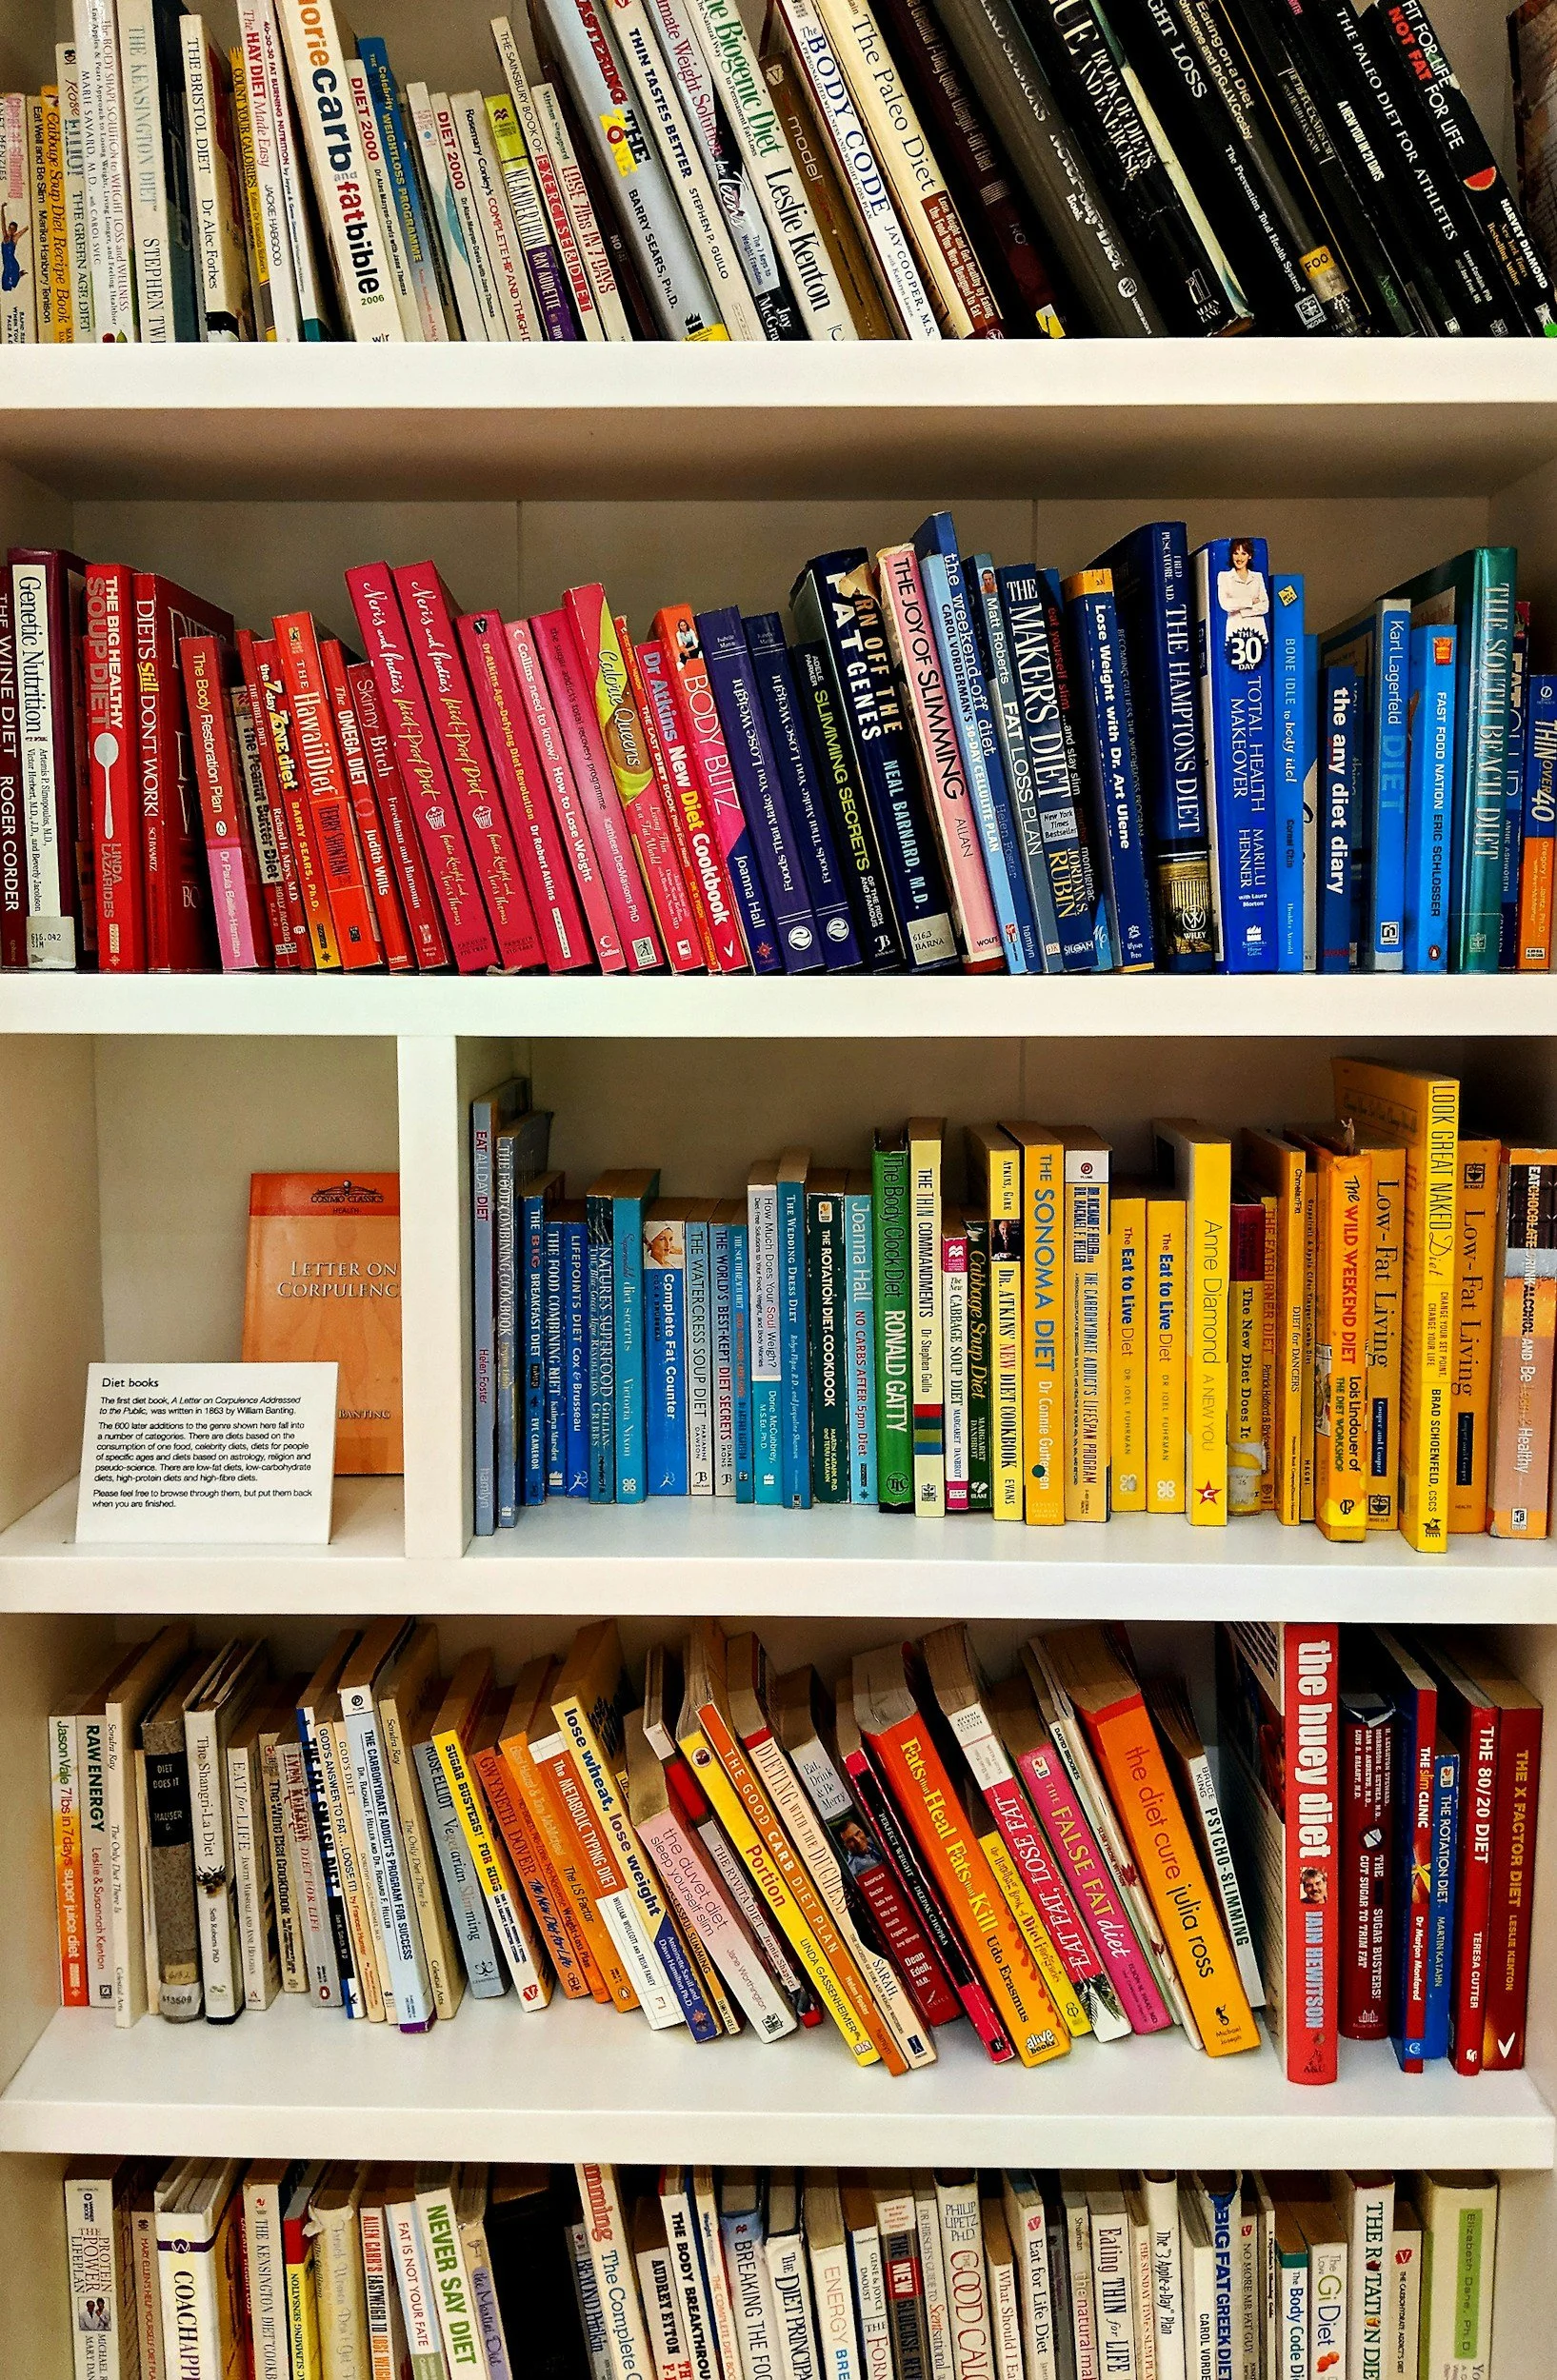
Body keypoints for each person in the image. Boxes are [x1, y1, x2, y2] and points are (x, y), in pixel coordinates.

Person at [1216, 536, 1269, 668]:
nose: (1239, 558)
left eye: (1243, 553)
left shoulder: (1257, 577)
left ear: (1249, 556)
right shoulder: (1224, 577)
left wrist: (1242, 611)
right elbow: (1225, 604)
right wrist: (1251, 601)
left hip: (1258, 631)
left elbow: (1265, 606)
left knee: (1260, 667)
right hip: (1236, 631)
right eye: (1236, 553)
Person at [0, 204, 28, 296]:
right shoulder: (5, 237)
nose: (11, 230)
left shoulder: (14, 239)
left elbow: (24, 230)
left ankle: (18, 275)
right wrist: (2, 209)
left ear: (15, 230)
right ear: (8, 228)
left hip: (13, 265)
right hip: (7, 266)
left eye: (13, 229)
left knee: (10, 286)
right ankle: (18, 275)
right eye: (10, 228)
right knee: (5, 287)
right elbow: (2, 222)